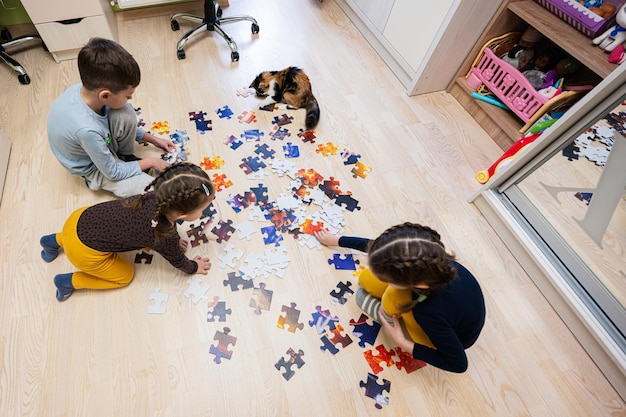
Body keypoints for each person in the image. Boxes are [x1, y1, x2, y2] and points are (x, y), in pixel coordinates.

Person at [314, 223, 486, 373]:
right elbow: (380, 250)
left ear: (417, 284)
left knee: (370, 298)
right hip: (440, 304)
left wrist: (402, 342)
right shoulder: (430, 258)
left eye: (386, 279)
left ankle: (390, 319)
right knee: (365, 279)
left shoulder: (427, 312)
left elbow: (459, 364)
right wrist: (337, 240)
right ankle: (392, 306)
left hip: (444, 334)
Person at [39, 163, 215, 302]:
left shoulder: (156, 196)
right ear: (182, 215)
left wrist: (175, 240)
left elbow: (162, 228)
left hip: (77, 218)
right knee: (124, 276)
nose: (203, 212)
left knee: (87, 232)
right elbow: (177, 260)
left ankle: (52, 241)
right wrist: (193, 268)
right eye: (202, 209)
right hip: (83, 251)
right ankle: (68, 282)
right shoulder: (164, 236)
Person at [47, 37, 176, 198]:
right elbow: (112, 173)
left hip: (99, 143)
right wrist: (150, 161)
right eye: (128, 96)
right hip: (93, 168)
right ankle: (111, 170)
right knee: (153, 192)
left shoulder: (87, 90)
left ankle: (125, 157)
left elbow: (109, 123)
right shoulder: (87, 130)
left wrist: (154, 139)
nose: (130, 99)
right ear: (105, 95)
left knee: (125, 111)